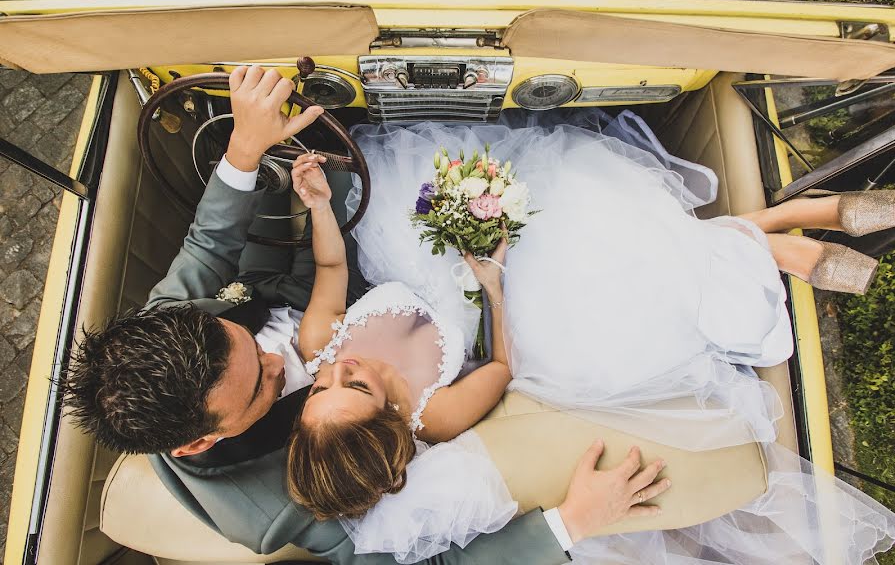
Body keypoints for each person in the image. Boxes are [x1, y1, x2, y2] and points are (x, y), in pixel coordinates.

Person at [62, 66, 673, 562]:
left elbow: (208, 245)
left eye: (248, 343)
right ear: (202, 441)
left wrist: (246, 145)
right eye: (262, 382)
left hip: (326, 274)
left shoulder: (164, 330)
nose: (282, 358)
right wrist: (573, 522)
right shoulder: (276, 506)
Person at [288, 112, 895, 564]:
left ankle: (784, 227)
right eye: (356, 384)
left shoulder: (320, 340)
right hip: (488, 293)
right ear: (386, 416)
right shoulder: (436, 415)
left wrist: (318, 205)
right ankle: (784, 225)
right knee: (603, 273)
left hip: (415, 246)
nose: (341, 366)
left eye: (321, 384)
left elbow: (336, 270)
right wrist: (492, 276)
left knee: (583, 199)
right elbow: (503, 362)